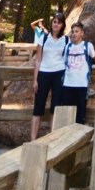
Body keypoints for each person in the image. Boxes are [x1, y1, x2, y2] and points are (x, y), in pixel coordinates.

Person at [30, 11, 68, 140]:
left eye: (59, 22)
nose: (56, 24)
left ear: (63, 25)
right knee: (38, 106)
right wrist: (35, 80)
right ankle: (32, 140)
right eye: (55, 22)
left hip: (59, 73)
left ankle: (52, 139)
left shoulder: (66, 39)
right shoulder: (43, 38)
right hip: (44, 73)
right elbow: (38, 60)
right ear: (52, 23)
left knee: (55, 106)